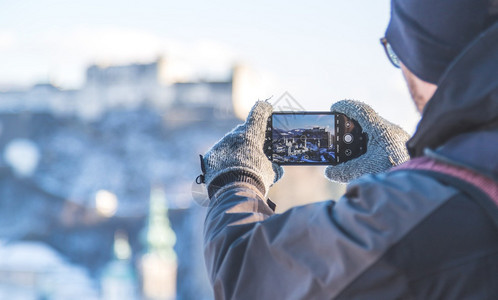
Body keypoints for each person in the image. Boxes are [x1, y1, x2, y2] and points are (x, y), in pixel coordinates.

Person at [199, 0, 498, 298]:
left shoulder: (421, 211)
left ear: (427, 53)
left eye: (397, 51)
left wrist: (235, 179)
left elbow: (253, 276)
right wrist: (406, 171)